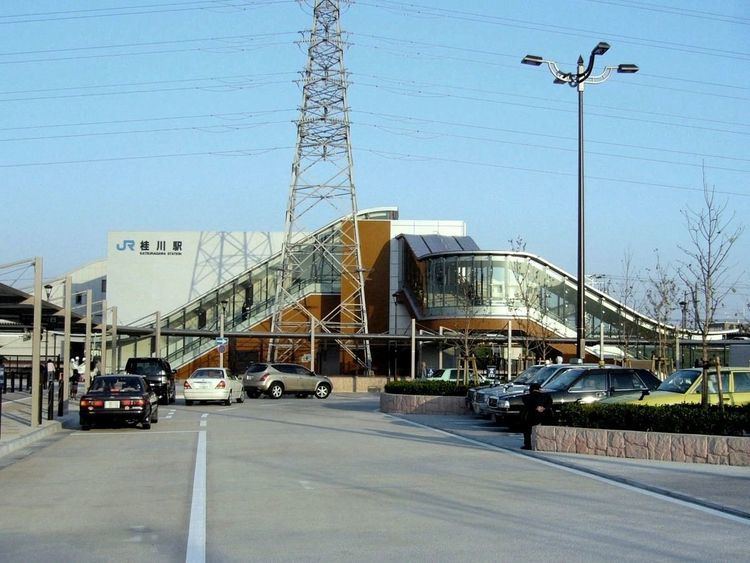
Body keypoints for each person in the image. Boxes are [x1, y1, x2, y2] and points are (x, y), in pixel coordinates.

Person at [520, 382, 553, 450]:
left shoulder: (526, 397)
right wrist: (543, 408)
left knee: (527, 430)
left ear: (531, 389)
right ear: (539, 389)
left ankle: (528, 445)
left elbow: (527, 404)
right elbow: (550, 403)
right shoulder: (547, 396)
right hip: (544, 417)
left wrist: (536, 407)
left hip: (531, 417)